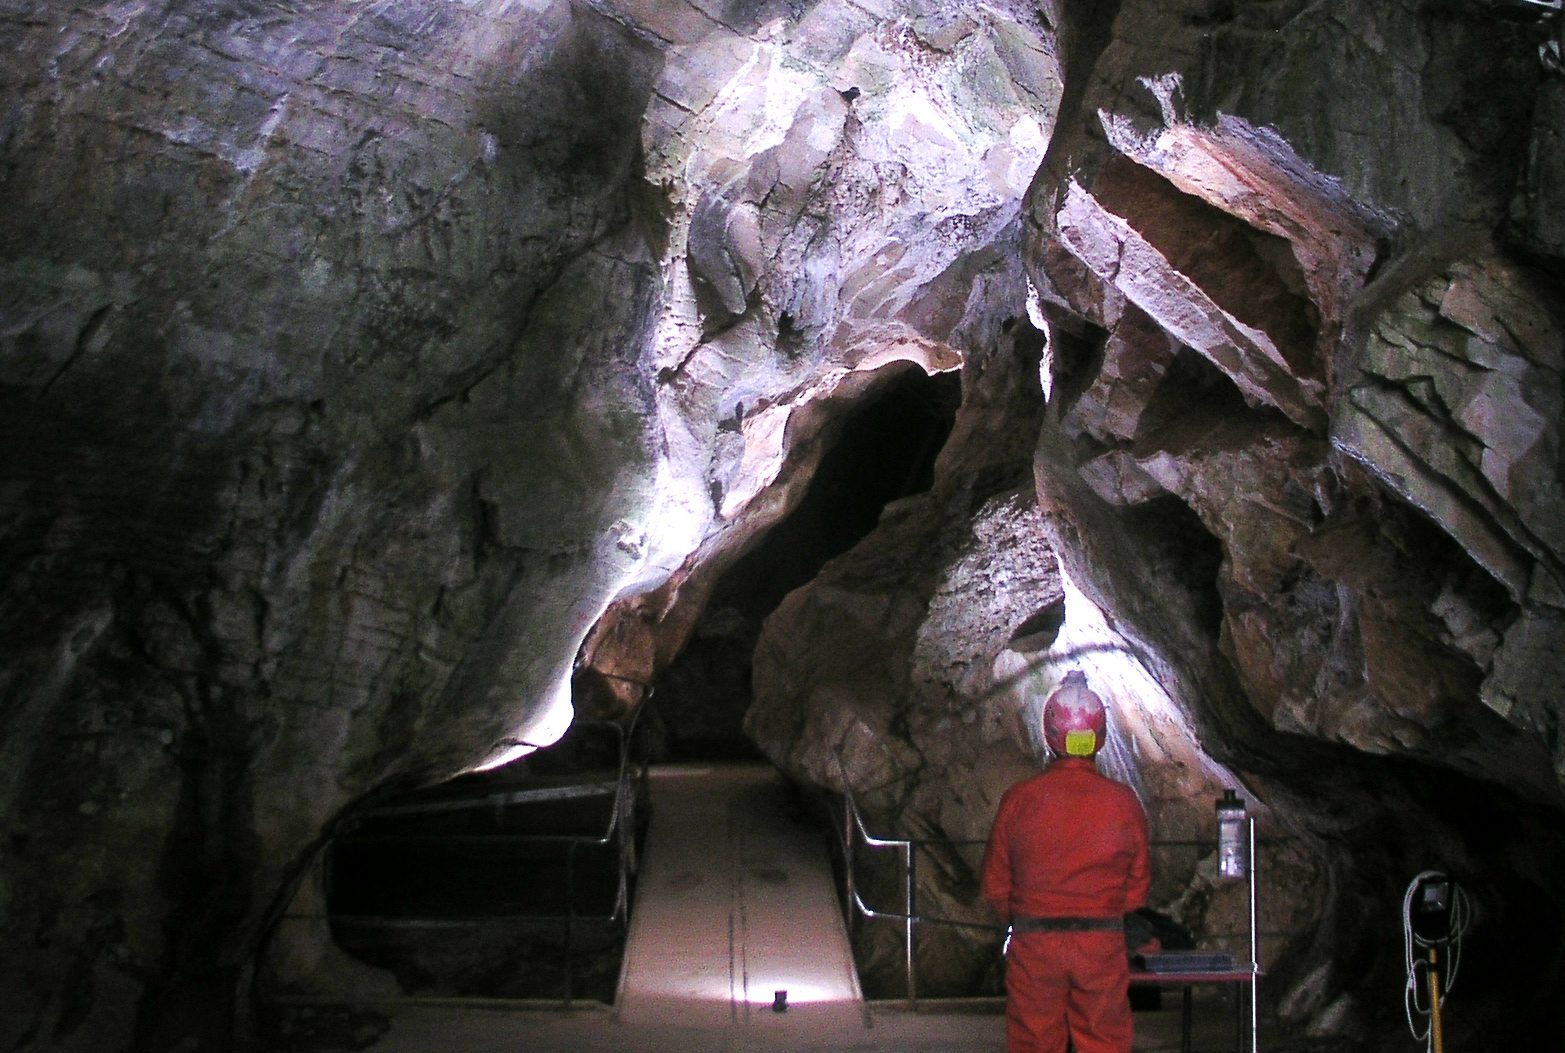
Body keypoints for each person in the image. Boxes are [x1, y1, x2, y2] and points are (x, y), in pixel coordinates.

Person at [980, 671, 1151, 1053]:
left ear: (1049, 732)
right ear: (1099, 735)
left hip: (1035, 943)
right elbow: (1138, 887)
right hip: (1101, 943)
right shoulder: (1123, 802)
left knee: (1035, 1041)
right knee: (1104, 1040)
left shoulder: (1020, 799)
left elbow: (995, 883)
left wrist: (1023, 914)